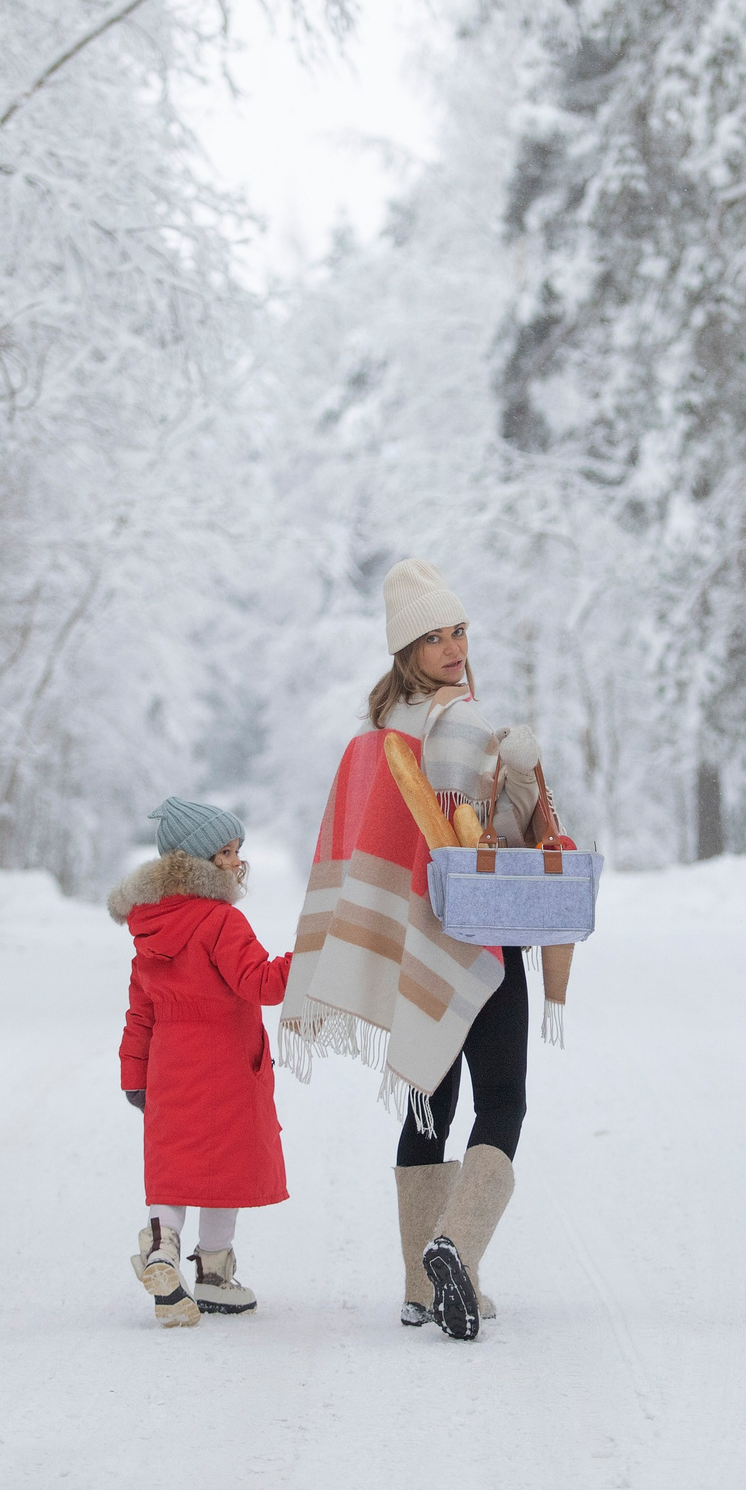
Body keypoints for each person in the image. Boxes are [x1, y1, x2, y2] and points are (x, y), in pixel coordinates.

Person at [279, 558, 558, 1340]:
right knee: (503, 1099)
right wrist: (526, 775)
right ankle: (456, 1251)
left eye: (460, 630)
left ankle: (417, 1286)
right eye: (436, 636)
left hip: (409, 943)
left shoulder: (370, 742)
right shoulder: (466, 726)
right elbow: (497, 841)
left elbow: (364, 848)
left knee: (427, 1098)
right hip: (477, 938)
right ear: (407, 648)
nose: (454, 647)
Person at [109, 797, 291, 1328]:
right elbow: (259, 983)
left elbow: (139, 1012)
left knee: (174, 1167)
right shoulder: (221, 921)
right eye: (226, 852)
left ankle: (163, 1252)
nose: (237, 862)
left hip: (170, 1066)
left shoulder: (148, 929)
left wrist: (133, 1076)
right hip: (228, 1065)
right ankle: (215, 1275)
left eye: (238, 851)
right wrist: (311, 958)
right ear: (196, 862)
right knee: (224, 1169)